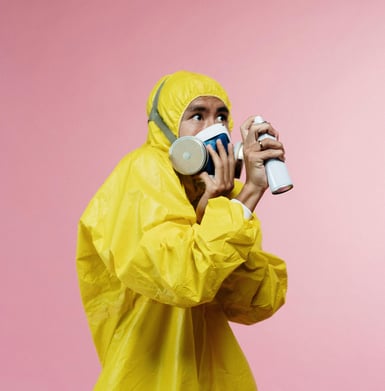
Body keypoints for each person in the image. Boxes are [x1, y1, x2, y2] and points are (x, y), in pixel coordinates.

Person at [76, 70, 288, 391]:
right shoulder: (144, 170)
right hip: (149, 378)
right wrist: (247, 196)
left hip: (213, 377)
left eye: (221, 116)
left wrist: (222, 202)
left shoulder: (221, 200)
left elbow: (256, 302)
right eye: (197, 115)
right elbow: (182, 278)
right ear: (167, 122)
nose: (213, 127)